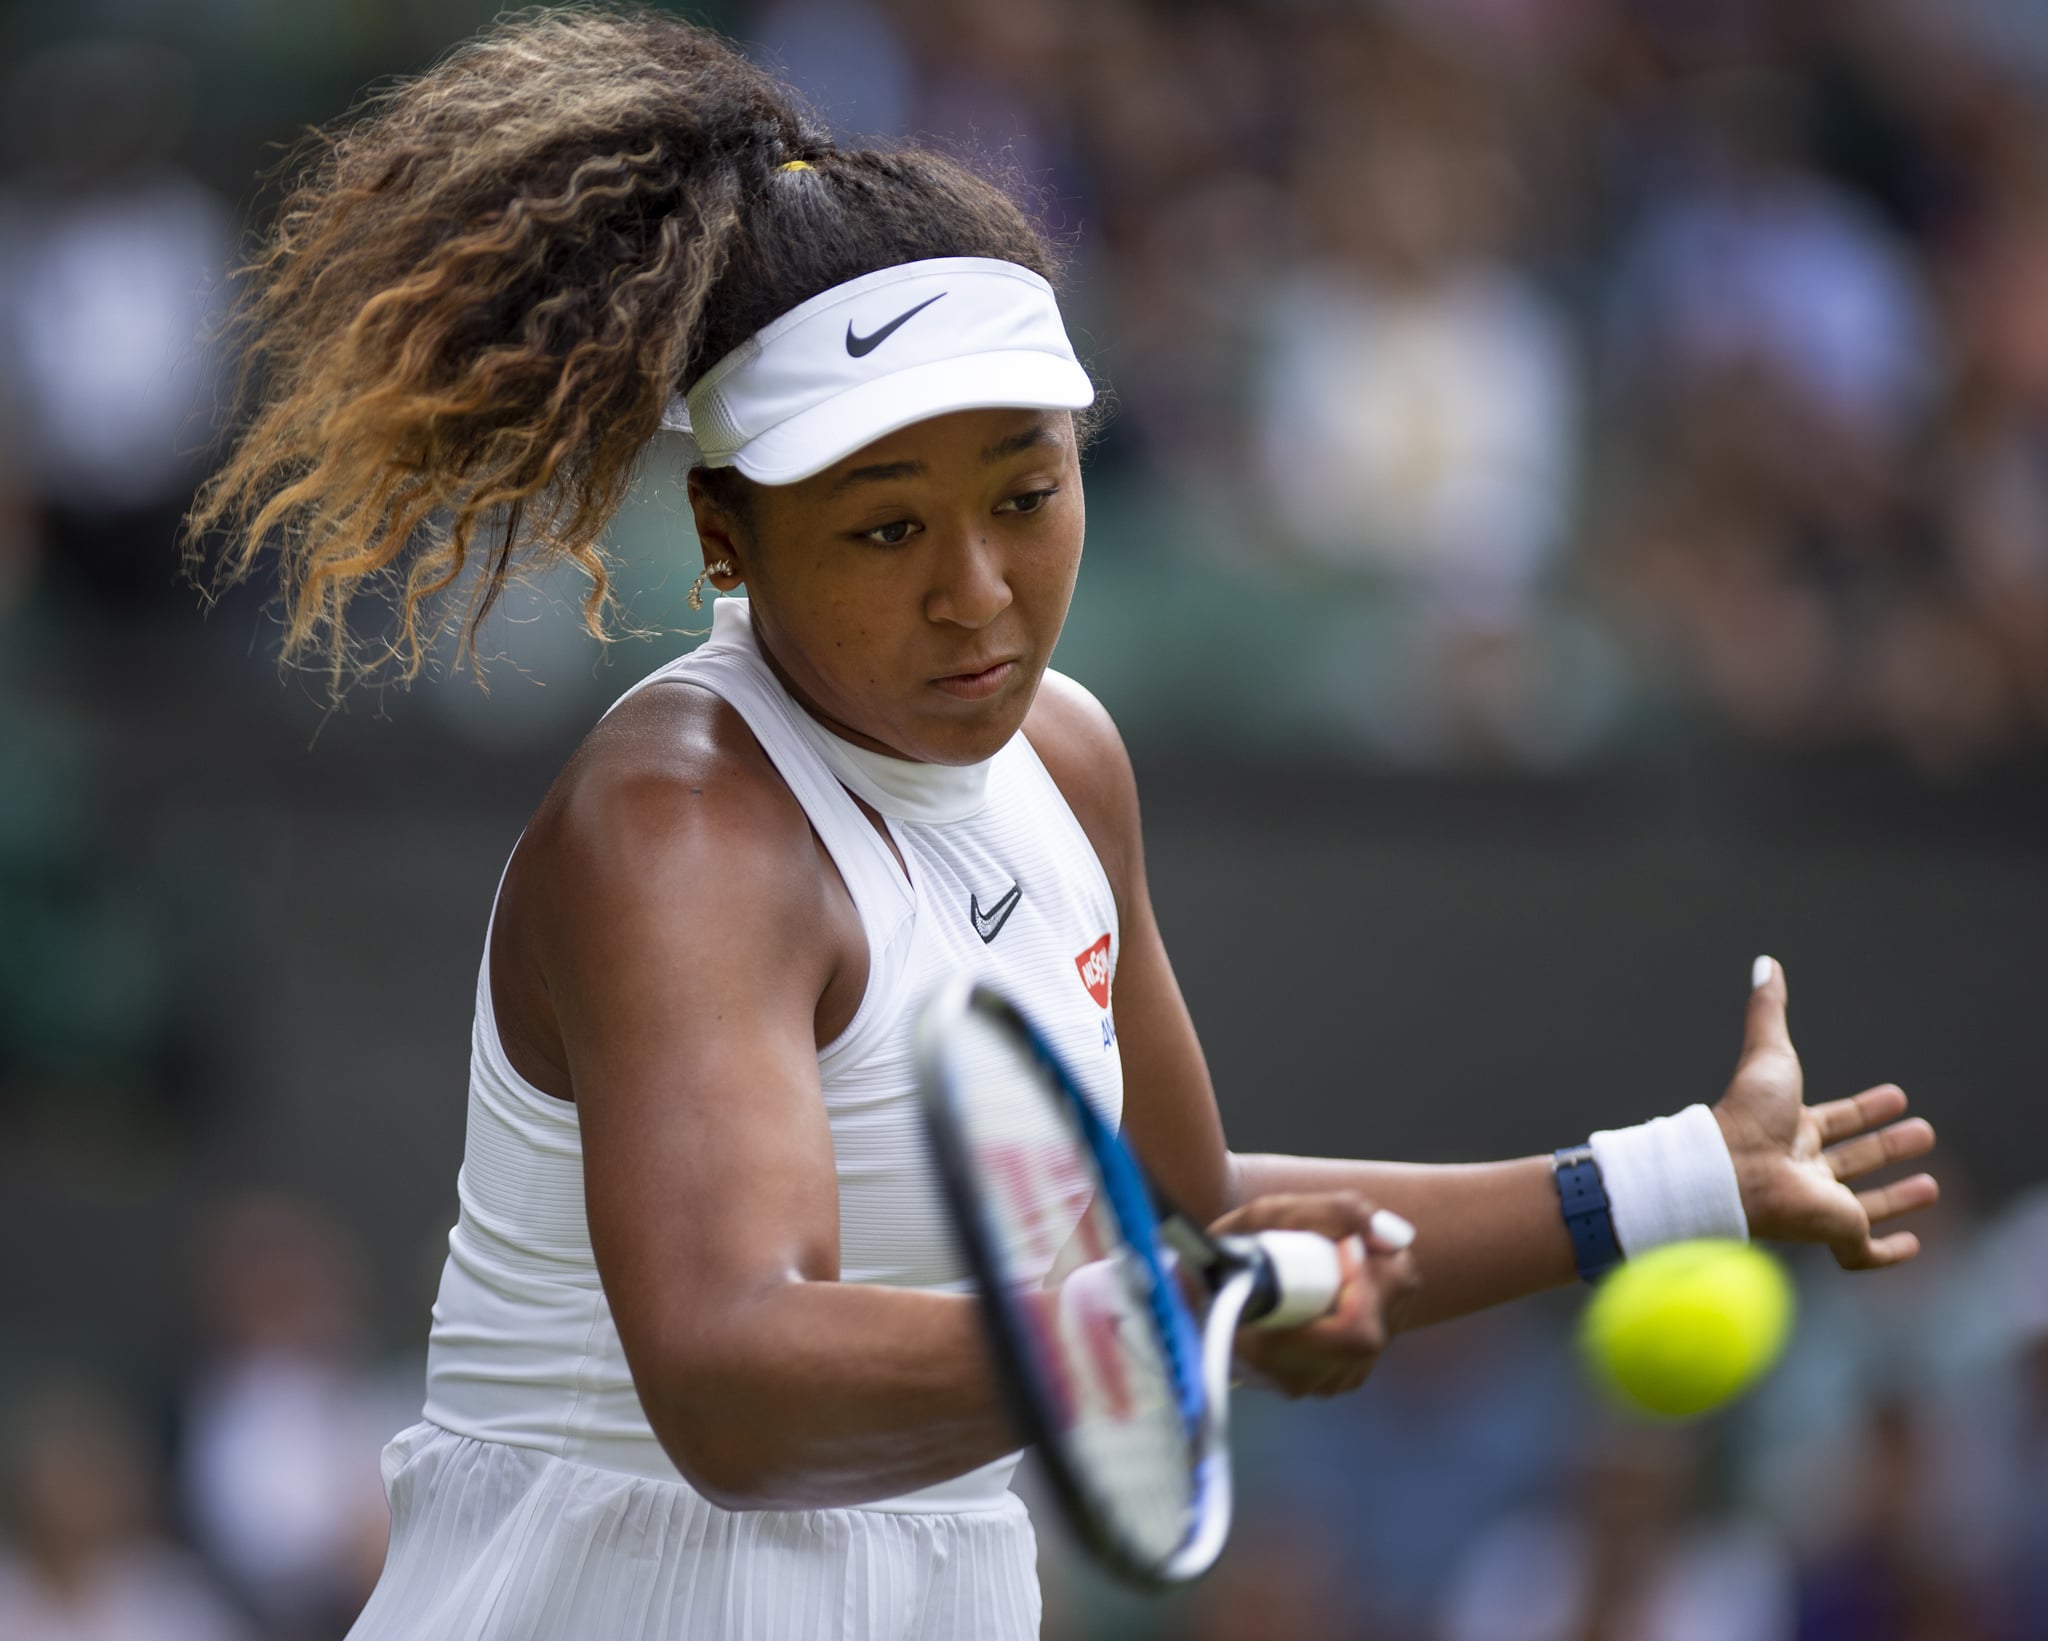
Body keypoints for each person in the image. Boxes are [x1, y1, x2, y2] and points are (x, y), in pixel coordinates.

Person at [184, 12, 1940, 1638]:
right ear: (724, 534)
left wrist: (1675, 1176)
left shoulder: (1070, 762)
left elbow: (1182, 1216)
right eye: (884, 531)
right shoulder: (684, 830)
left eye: (1028, 495)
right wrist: (1163, 1326)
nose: (980, 597)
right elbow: (735, 1380)